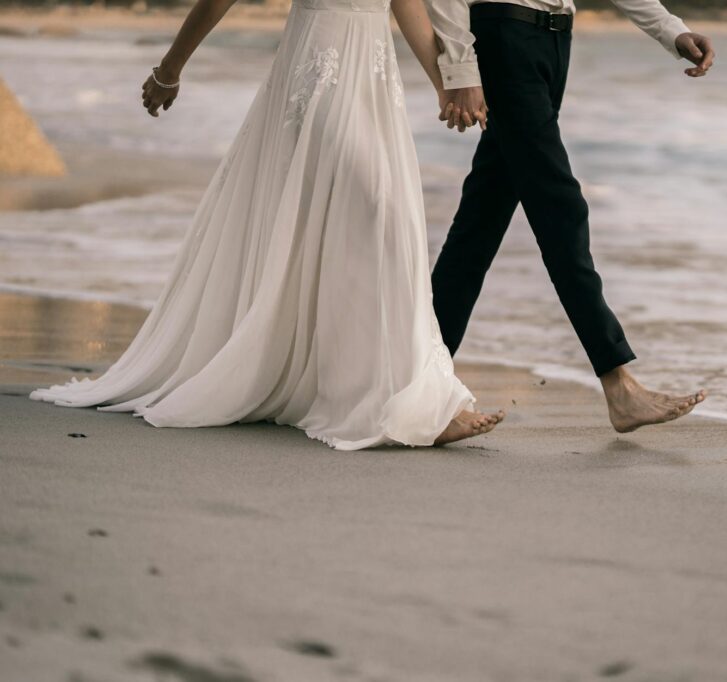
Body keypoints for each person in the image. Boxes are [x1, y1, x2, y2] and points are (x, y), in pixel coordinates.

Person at [31, 0, 504, 449]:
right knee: (377, 207)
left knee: (387, 218)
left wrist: (444, 83)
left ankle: (400, 394)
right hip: (318, 69)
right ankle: (396, 400)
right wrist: (170, 68)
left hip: (374, 78)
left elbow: (406, 3)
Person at [425, 0, 713, 432]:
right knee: (560, 207)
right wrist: (461, 69)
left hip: (554, 42)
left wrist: (670, 30)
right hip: (505, 36)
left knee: (480, 222)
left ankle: (420, 382)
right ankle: (619, 383)